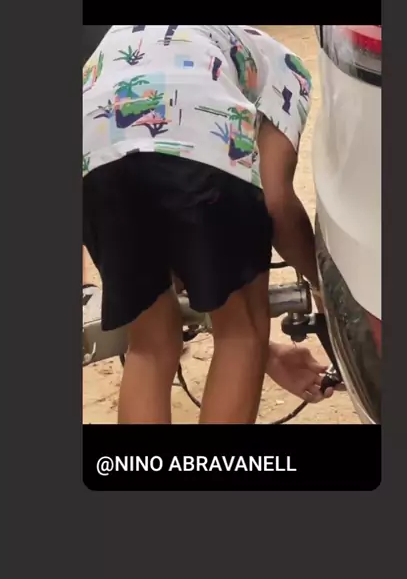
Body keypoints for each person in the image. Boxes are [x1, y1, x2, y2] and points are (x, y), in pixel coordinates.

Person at [83, 24, 332, 424]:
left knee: (150, 347)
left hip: (95, 162)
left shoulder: (126, 33)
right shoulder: (285, 65)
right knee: (242, 334)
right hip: (200, 155)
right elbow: (277, 202)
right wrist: (324, 286)